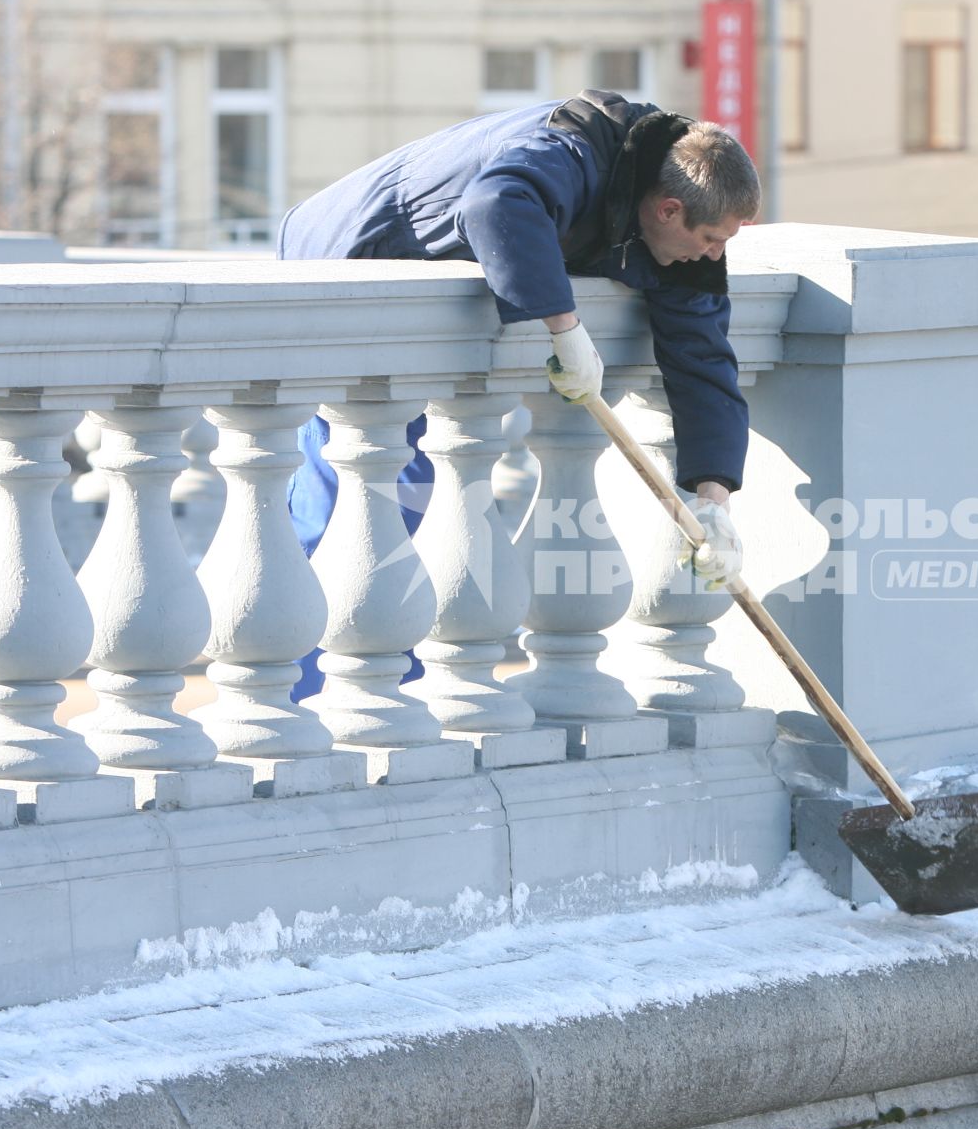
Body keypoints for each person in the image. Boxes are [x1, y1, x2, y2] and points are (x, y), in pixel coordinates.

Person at [278, 89, 754, 698]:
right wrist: (566, 327)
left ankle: (398, 693)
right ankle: (316, 696)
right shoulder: (574, 147)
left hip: (429, 314)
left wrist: (713, 501)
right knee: (356, 502)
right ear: (667, 210)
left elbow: (704, 361)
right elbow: (496, 203)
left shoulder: (683, 222)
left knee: (415, 512)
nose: (716, 254)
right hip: (343, 260)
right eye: (712, 238)